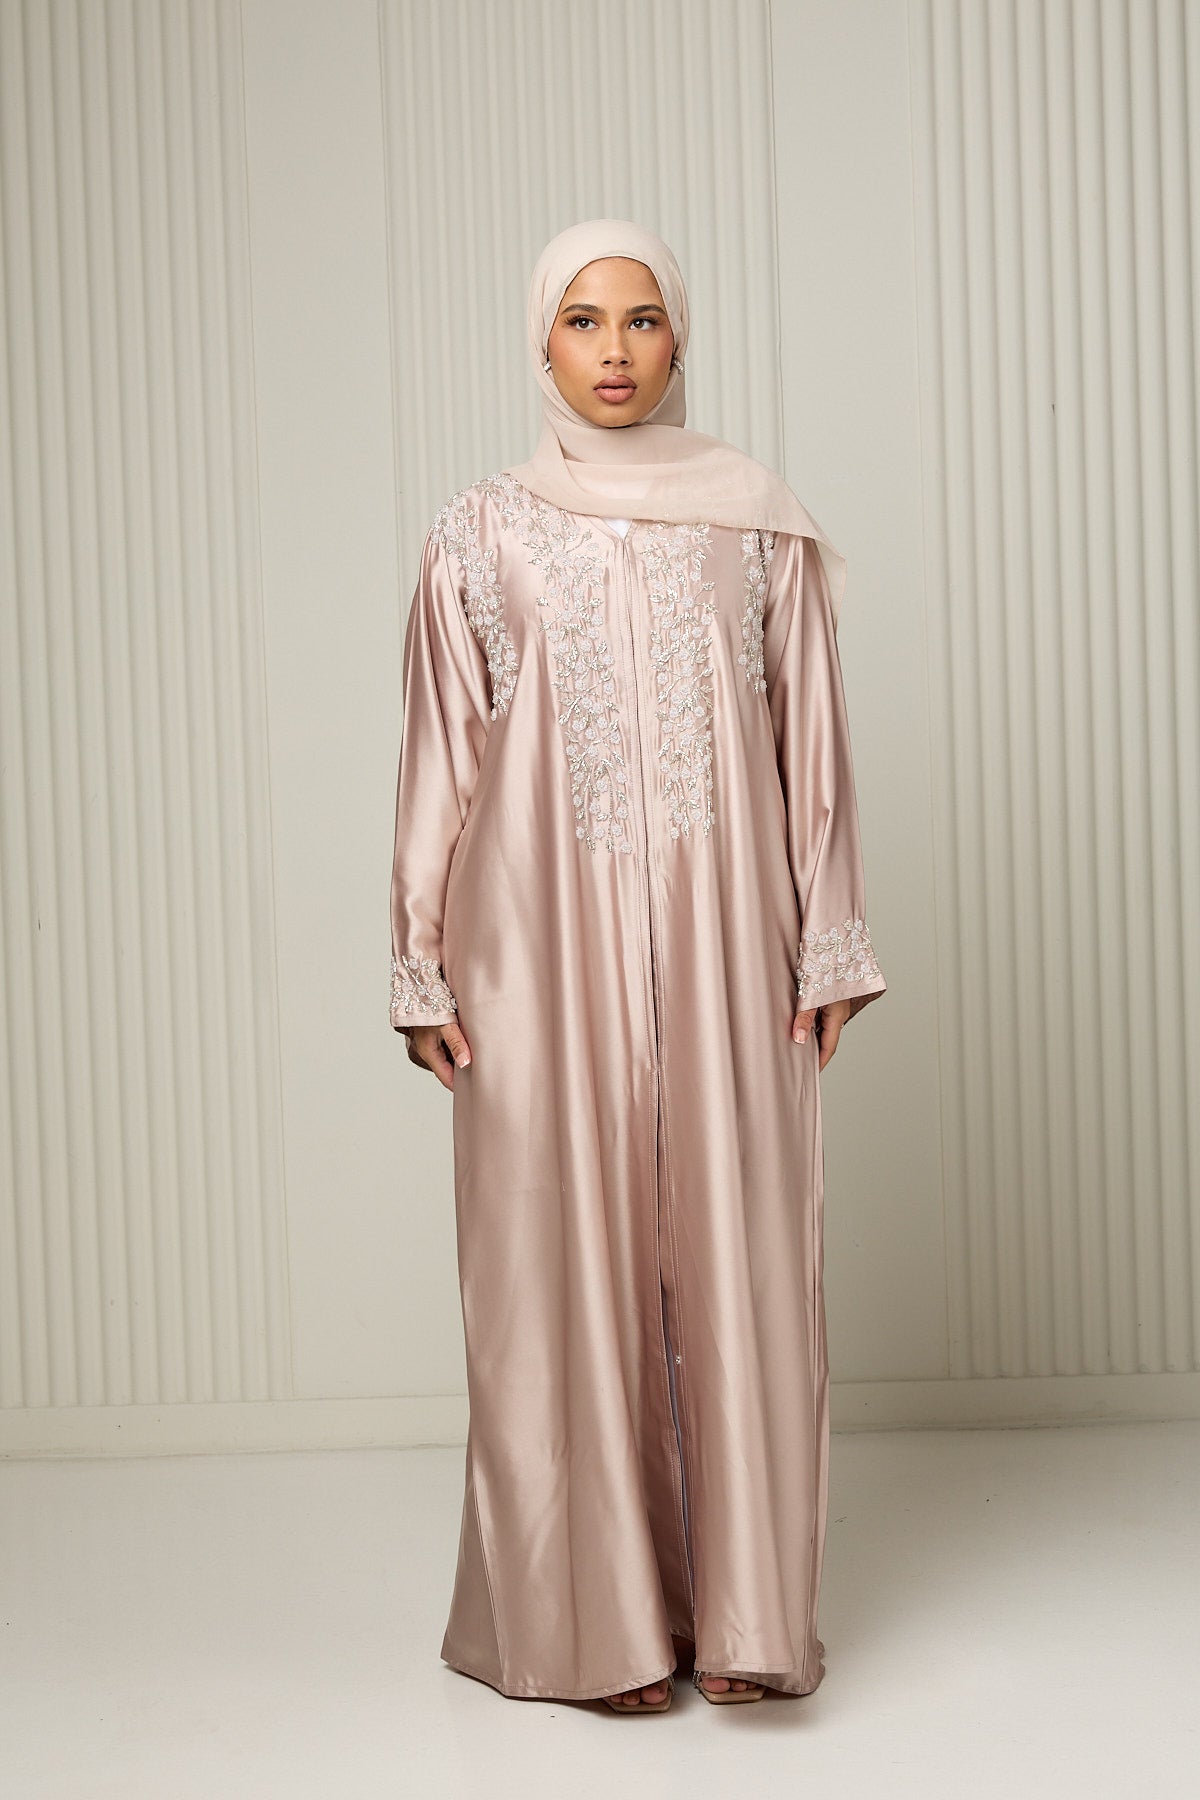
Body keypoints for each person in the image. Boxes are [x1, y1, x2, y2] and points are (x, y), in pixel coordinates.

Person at [389, 218, 887, 1712]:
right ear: (539, 343)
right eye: (584, 321)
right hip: (534, 951)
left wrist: (829, 939)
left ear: (681, 341)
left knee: (740, 1254)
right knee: (557, 1265)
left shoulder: (757, 526)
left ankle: (743, 1620)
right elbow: (438, 758)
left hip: (730, 942)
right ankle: (589, 1629)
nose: (615, 351)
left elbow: (812, 743)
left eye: (644, 319)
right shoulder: (478, 534)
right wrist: (419, 960)